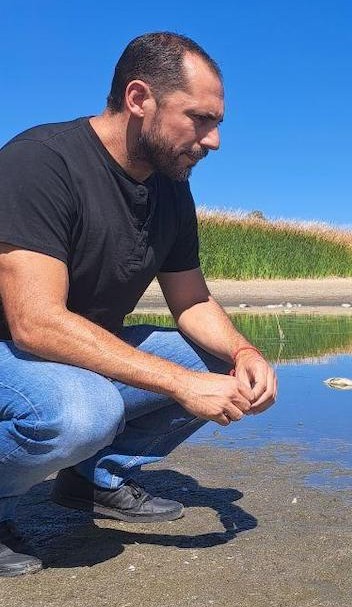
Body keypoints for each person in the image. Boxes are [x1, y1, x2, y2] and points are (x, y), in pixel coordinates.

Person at [0, 32, 277, 577]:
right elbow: (35, 325)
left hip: (61, 353)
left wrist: (245, 352)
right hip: (13, 346)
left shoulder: (170, 189)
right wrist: (177, 383)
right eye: (199, 118)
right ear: (138, 98)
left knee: (219, 362)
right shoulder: (39, 163)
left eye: (217, 122)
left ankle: (93, 478)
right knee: (83, 412)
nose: (214, 140)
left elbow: (191, 299)